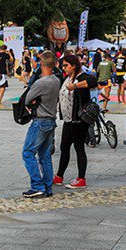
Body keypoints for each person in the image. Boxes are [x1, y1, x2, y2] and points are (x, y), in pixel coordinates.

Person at [21, 51, 60, 198]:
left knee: (27, 152)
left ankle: (37, 185)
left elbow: (27, 99)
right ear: (54, 64)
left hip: (40, 121)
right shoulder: (56, 80)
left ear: (41, 64)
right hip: (51, 120)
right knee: (45, 155)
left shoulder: (41, 82)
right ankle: (47, 187)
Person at [53, 53, 93, 190]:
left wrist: (76, 86)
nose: (64, 68)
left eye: (66, 65)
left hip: (79, 120)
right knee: (64, 147)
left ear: (74, 66)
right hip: (68, 120)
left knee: (79, 148)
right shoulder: (67, 78)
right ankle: (59, 176)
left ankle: (81, 178)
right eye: (63, 65)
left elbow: (93, 81)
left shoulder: (81, 77)